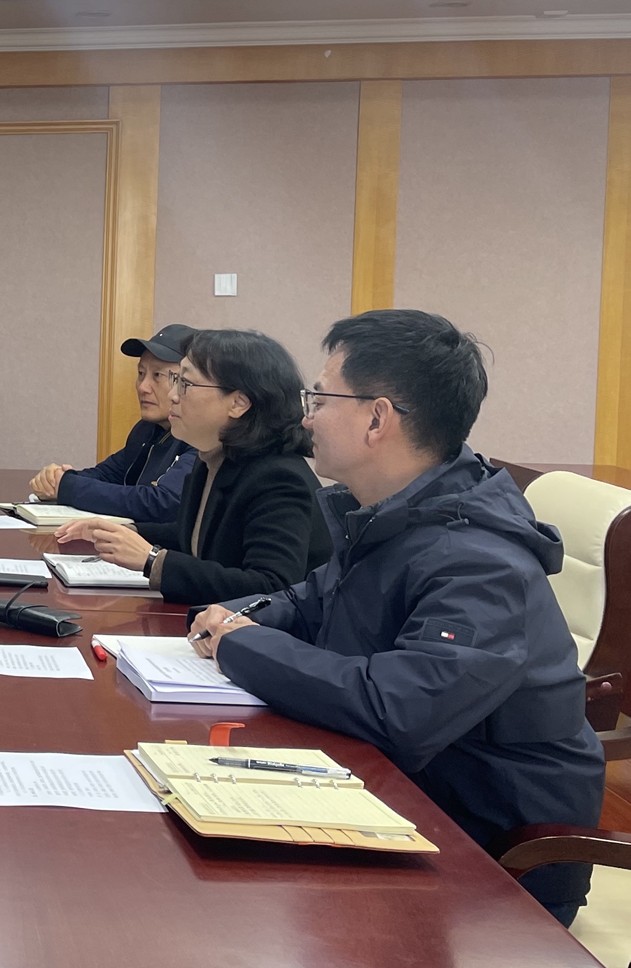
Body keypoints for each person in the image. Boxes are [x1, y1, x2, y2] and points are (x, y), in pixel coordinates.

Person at [190, 309, 603, 925]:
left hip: (491, 857)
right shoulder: (392, 513)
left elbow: (398, 711)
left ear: (377, 418)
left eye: (320, 398)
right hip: (399, 799)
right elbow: (310, 599)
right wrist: (239, 615)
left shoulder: (479, 561)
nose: (306, 417)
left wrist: (240, 646)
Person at [58, 328, 330, 604]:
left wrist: (152, 560)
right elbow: (198, 535)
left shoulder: (278, 478)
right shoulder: (213, 458)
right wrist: (128, 532)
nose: (173, 395)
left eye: (185, 384)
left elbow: (271, 587)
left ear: (238, 403)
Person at [31, 323, 198, 542]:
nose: (143, 386)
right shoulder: (146, 430)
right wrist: (56, 479)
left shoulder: (201, 438)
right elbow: (107, 475)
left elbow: (162, 503)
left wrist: (68, 486)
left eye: (157, 375)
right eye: (141, 373)